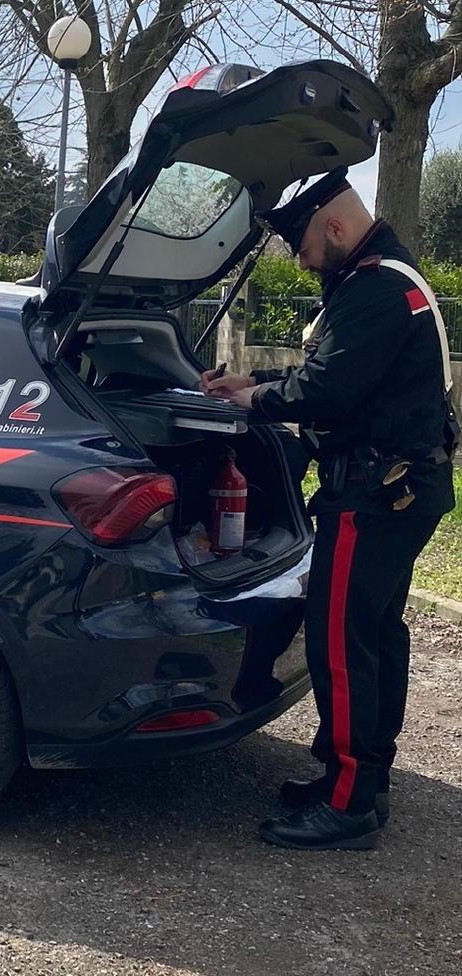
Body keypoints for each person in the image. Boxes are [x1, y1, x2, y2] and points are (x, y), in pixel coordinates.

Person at [203, 167, 458, 851]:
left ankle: (346, 804)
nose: (304, 262)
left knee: (340, 646)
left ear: (336, 228)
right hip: (400, 489)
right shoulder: (391, 279)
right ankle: (360, 786)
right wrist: (252, 380)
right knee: (373, 639)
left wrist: (249, 399)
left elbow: (325, 389)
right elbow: (340, 373)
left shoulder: (373, 289)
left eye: (307, 251)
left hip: (371, 495)